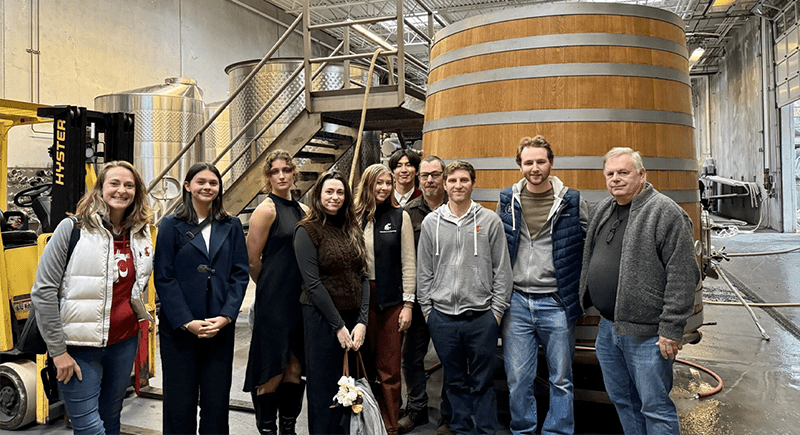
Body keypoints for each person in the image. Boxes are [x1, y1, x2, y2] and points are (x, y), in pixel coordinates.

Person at [579, 147, 700, 434]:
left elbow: (683, 274)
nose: (616, 179)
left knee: (655, 408)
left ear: (642, 174)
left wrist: (671, 328)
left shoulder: (665, 212)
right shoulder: (604, 210)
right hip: (609, 329)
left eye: (624, 172)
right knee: (623, 400)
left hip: (647, 335)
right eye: (610, 174)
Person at [31, 161, 154, 435]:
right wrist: (58, 351)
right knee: (88, 426)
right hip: (78, 347)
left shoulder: (140, 233)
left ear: (137, 192)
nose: (121, 190)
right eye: (114, 183)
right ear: (100, 189)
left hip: (123, 342)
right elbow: (44, 290)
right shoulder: (72, 229)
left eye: (129, 185)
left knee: (111, 417)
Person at [497, 135, 588, 435]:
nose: (535, 168)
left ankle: (558, 431)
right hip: (518, 303)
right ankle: (523, 430)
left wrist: (578, 294)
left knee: (561, 377)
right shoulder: (506, 200)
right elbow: (498, 250)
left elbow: (586, 248)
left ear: (551, 162)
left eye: (540, 161)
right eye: (528, 162)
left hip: (556, 302)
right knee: (518, 379)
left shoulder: (572, 200)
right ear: (519, 165)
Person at [417, 160, 513, 435]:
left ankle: (485, 430)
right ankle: (459, 428)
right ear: (444, 185)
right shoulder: (431, 223)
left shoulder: (489, 221)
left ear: (473, 183)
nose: (458, 185)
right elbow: (424, 271)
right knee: (455, 380)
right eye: (452, 181)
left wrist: (495, 312)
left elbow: (502, 270)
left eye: (463, 180)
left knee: (483, 381)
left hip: (481, 317)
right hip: (443, 318)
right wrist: (428, 311)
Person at [154, 162, 249, 435]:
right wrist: (186, 321)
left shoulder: (230, 226)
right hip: (180, 330)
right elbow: (164, 276)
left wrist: (226, 316)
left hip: (219, 327)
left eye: (213, 183)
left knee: (216, 403)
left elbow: (240, 274)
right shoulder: (171, 225)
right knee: (179, 402)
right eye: (201, 182)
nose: (207, 187)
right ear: (187, 186)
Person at [293, 171, 370, 434]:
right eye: (329, 192)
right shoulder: (307, 230)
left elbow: (362, 275)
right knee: (325, 391)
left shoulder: (351, 227)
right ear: (318, 195)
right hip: (322, 321)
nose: (334, 197)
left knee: (352, 391)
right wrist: (338, 326)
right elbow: (313, 284)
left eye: (340, 192)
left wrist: (361, 322)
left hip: (352, 320)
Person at [244, 150, 309, 435]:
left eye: (286, 170)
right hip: (274, 300)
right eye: (275, 171)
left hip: (300, 300)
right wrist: (271, 287)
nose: (281, 175)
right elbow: (252, 261)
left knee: (295, 369)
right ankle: (267, 430)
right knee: (272, 369)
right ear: (268, 176)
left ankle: (288, 428)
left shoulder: (304, 210)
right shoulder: (266, 210)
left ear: (294, 173)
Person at [354, 164, 416, 435]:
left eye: (388, 183)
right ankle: (365, 423)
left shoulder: (399, 216)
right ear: (367, 184)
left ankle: (390, 425)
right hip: (359, 300)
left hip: (391, 301)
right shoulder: (352, 217)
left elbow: (409, 263)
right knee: (362, 365)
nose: (384, 188)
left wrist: (408, 304)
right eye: (378, 183)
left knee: (389, 367)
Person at [400, 155, 450, 434]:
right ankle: (416, 410)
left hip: (448, 299)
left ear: (444, 176)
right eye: (425, 175)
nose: (430, 180)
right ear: (418, 179)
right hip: (419, 299)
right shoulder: (408, 212)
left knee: (451, 358)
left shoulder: (455, 207)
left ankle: (448, 417)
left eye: (435, 174)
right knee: (411, 357)